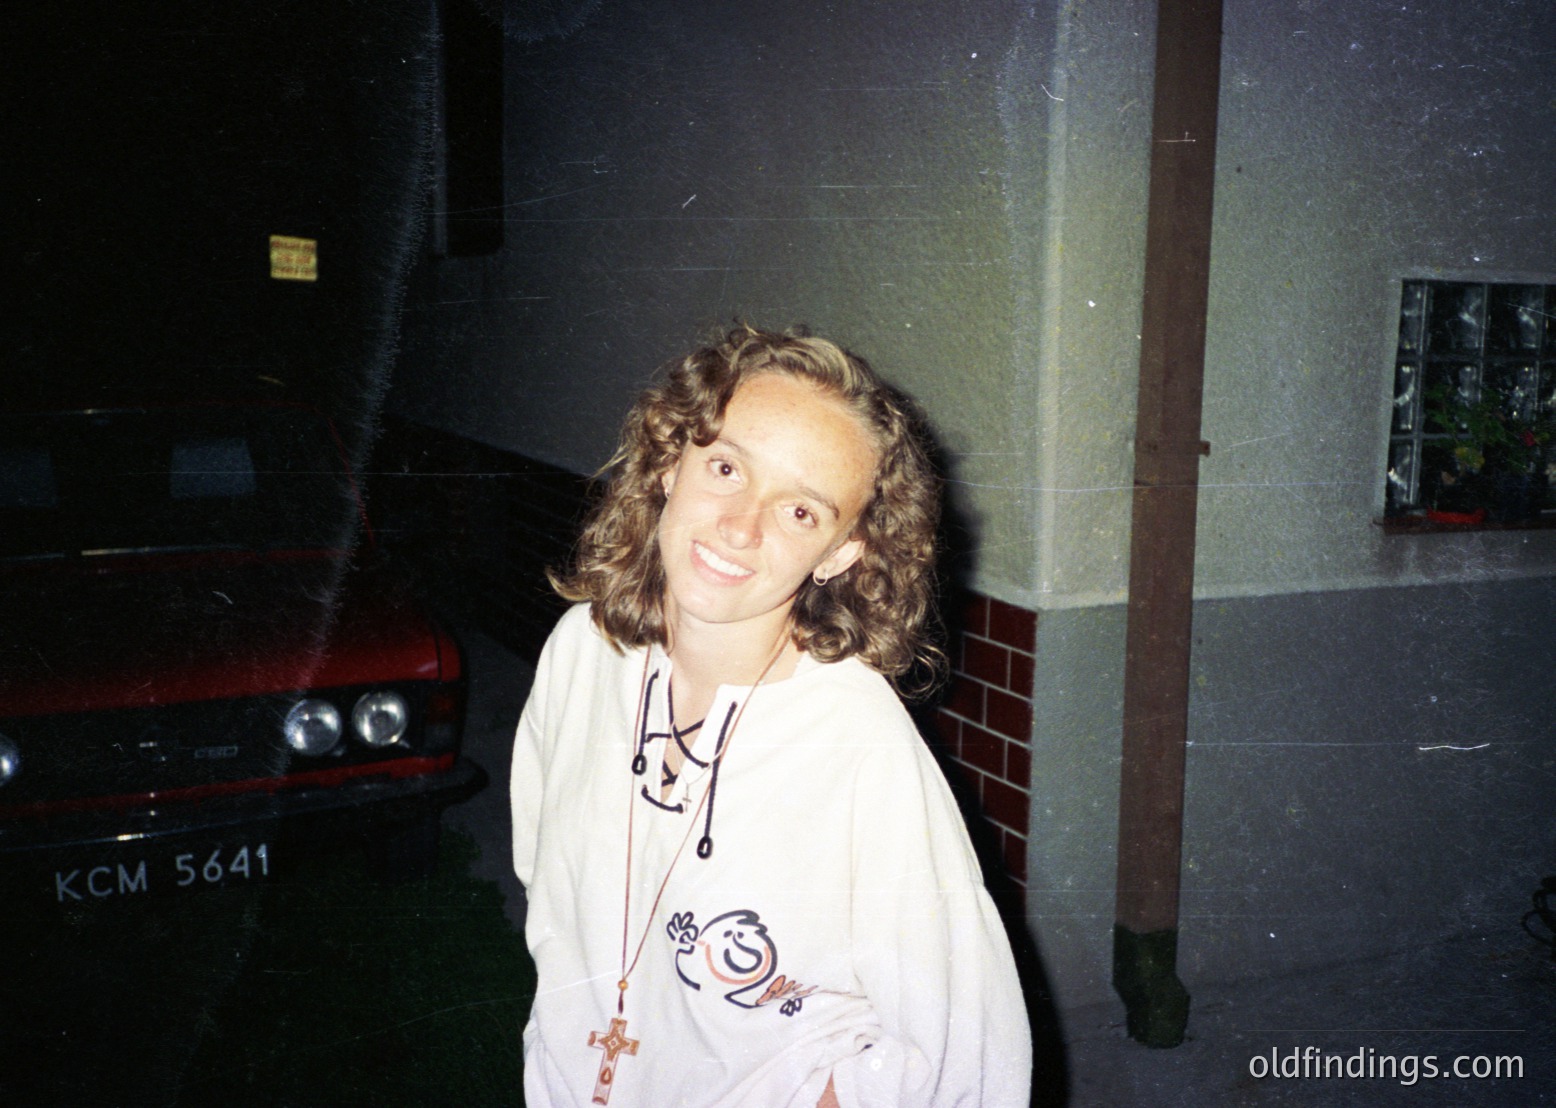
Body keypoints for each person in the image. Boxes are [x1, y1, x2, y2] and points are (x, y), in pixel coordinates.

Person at [510, 324, 1031, 1107]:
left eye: (800, 513)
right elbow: (548, 886)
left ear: (841, 554)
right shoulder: (585, 652)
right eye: (726, 468)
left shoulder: (858, 743)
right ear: (668, 461)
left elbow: (965, 1042)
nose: (740, 526)